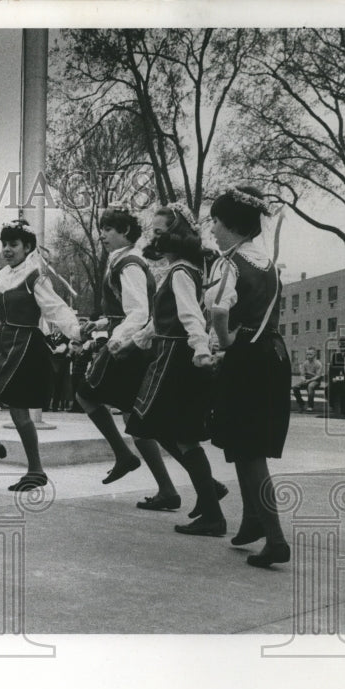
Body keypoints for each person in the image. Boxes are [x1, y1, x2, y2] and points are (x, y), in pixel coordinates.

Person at [73, 205, 205, 513]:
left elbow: (140, 312)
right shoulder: (122, 262)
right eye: (102, 228)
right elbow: (129, 309)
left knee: (88, 394)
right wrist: (103, 323)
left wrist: (118, 339)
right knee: (142, 422)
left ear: (126, 233)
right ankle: (184, 487)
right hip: (131, 340)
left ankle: (125, 456)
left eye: (110, 229)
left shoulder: (130, 264)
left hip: (130, 346)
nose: (103, 234)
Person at [123, 204, 226, 537]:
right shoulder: (175, 269)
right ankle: (209, 494)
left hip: (174, 359)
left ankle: (212, 511)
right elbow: (161, 319)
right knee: (162, 428)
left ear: (177, 234)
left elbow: (190, 315)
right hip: (166, 354)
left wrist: (199, 349)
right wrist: (136, 340)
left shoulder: (181, 270)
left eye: (161, 230)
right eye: (153, 230)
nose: (154, 235)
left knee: (164, 429)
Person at [0, 219, 82, 490]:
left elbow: (55, 308)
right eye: (4, 244)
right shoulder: (0, 275)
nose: (7, 249)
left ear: (27, 247)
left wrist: (77, 333)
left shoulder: (35, 275)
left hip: (26, 346)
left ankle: (36, 470)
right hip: (2, 342)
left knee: (19, 411)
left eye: (13, 244)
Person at [207, 185, 291, 568]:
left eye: (215, 222)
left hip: (246, 359)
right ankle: (253, 521)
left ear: (233, 226)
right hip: (273, 356)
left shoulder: (229, 263)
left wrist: (223, 342)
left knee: (250, 450)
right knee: (246, 444)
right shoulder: (268, 263)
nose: (211, 229)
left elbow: (220, 313)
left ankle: (275, 538)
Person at [326, 337, 345, 418]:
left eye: (344, 345)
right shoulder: (335, 356)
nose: (342, 348)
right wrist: (333, 378)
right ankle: (333, 407)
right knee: (328, 389)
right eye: (340, 346)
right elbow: (331, 369)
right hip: (338, 378)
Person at [46, 328, 72, 411]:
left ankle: (55, 406)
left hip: (60, 364)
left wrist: (52, 348)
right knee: (48, 384)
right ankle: (45, 405)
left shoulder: (66, 338)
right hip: (49, 363)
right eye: (55, 326)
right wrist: (53, 348)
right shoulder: (49, 337)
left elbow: (61, 350)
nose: (56, 328)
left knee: (58, 385)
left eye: (58, 326)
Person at [292, 347, 323, 413]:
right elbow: (302, 374)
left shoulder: (318, 363)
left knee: (310, 386)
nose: (308, 356)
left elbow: (318, 376)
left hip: (315, 380)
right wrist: (303, 379)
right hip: (307, 379)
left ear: (314, 355)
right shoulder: (305, 363)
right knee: (295, 387)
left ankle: (310, 406)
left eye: (310, 354)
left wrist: (309, 380)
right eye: (307, 354)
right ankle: (301, 403)